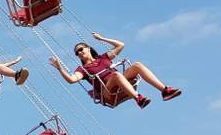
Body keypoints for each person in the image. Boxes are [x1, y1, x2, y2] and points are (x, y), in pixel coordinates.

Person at [49, 32, 181, 109]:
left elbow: (120, 45)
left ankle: (164, 90)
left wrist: (101, 39)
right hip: (108, 93)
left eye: (81, 49)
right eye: (77, 52)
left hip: (120, 82)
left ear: (88, 48)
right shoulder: (83, 69)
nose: (80, 52)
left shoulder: (103, 58)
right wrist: (60, 68)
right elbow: (72, 80)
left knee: (137, 65)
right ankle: (137, 98)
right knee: (117, 75)